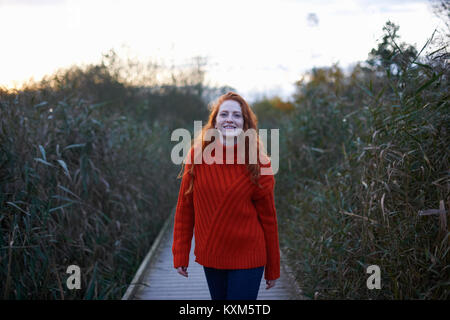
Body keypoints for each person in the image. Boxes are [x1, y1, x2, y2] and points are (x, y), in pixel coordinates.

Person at [172, 91, 280, 300]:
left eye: (237, 115)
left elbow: (269, 219)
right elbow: (185, 208)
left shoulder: (259, 162)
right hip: (212, 254)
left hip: (249, 255)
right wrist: (180, 253)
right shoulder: (196, 157)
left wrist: (273, 267)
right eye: (224, 114)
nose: (229, 119)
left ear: (245, 123)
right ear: (215, 121)